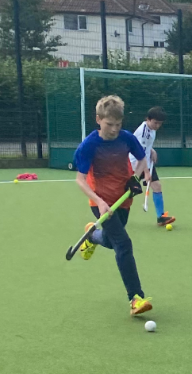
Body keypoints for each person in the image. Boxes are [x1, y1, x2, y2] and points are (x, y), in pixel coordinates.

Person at [73, 95, 152, 318]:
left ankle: (92, 236)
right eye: (109, 124)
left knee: (111, 240)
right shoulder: (89, 145)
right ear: (98, 120)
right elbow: (80, 179)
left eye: (118, 124)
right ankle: (136, 298)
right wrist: (98, 201)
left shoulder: (126, 138)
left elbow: (142, 159)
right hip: (101, 202)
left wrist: (135, 178)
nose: (114, 129)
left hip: (124, 198)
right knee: (123, 243)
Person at [130, 106, 175, 227]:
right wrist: (146, 172)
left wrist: (152, 150)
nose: (157, 126)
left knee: (157, 186)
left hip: (145, 161)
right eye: (155, 123)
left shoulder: (151, 129)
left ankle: (161, 217)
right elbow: (140, 154)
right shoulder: (143, 132)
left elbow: (145, 148)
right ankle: (112, 212)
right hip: (136, 163)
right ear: (148, 119)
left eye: (160, 123)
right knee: (126, 191)